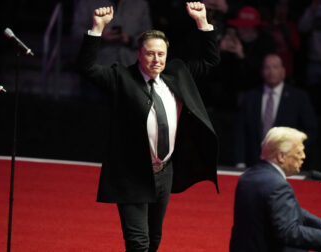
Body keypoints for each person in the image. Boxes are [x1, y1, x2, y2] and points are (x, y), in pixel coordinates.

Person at [76, 3, 220, 251]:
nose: (156, 59)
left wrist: (202, 22)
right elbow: (87, 68)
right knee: (138, 243)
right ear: (139, 54)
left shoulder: (177, 75)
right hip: (132, 173)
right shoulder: (121, 77)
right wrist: (97, 29)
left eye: (161, 54)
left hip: (165, 171)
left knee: (154, 241)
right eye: (150, 54)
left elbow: (210, 61)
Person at [230, 126, 321, 252]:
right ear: (281, 156)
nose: (303, 157)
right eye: (299, 152)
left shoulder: (249, 175)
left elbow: (283, 210)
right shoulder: (278, 185)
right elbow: (290, 233)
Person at [233, 54, 317, 169]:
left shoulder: (298, 98)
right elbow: (240, 132)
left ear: (283, 71)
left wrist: (292, 152)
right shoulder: (250, 98)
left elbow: (310, 131)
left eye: (275, 67)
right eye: (267, 68)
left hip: (286, 165)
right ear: (262, 72)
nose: (271, 72)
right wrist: (240, 162)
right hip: (254, 164)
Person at [72, 0, 152, 66]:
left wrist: (130, 40)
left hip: (132, 69)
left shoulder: (140, 3)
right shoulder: (87, 3)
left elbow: (149, 37)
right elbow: (76, 32)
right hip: (99, 69)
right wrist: (99, 37)